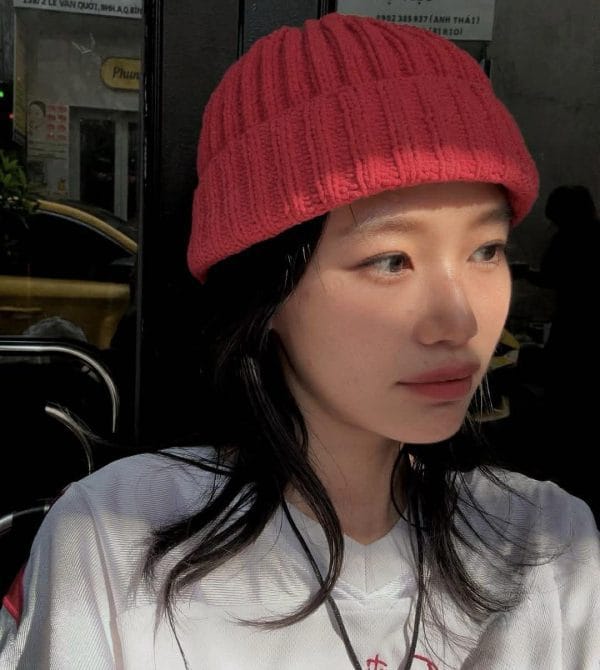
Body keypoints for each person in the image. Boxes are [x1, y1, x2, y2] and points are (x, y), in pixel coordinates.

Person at [1, 14, 598, 669]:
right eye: (391, 260)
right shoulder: (114, 546)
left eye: (486, 250)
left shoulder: (551, 547)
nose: (460, 321)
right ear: (267, 292)